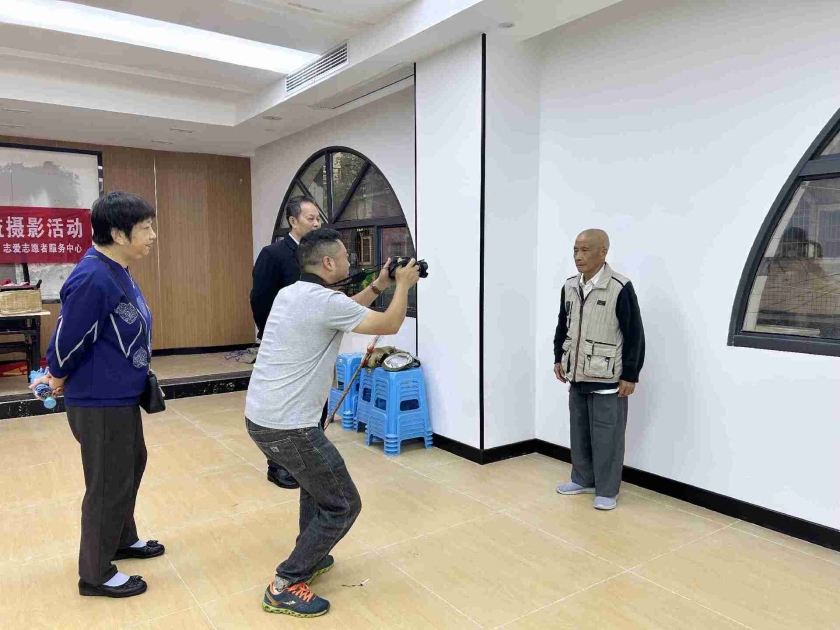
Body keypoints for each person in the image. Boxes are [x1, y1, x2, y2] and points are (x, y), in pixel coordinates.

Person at [245, 228, 419, 618]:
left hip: (265, 417)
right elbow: (388, 324)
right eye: (343, 256)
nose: (348, 261)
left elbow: (344, 311)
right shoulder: (322, 302)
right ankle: (285, 584)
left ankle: (312, 554)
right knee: (343, 504)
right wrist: (404, 286)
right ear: (327, 262)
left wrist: (379, 284)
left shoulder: (292, 294)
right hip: (289, 425)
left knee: (316, 486)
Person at [31, 191, 164, 598]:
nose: (153, 235)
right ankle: (95, 573)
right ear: (119, 234)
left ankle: (121, 539)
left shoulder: (116, 269)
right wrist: (55, 375)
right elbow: (69, 338)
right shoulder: (93, 276)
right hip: (99, 399)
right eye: (146, 228)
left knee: (129, 468)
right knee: (108, 483)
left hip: (120, 395)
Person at [553, 229, 645, 511]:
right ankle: (582, 479)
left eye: (585, 250)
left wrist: (630, 374)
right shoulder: (570, 286)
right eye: (575, 250)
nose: (578, 256)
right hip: (577, 374)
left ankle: (606, 489)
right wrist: (558, 358)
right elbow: (562, 325)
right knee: (579, 432)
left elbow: (634, 333)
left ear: (603, 252)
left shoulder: (620, 287)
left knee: (608, 435)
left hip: (608, 377)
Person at [250, 196, 323, 490]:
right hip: (283, 345)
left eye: (318, 218)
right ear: (293, 221)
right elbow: (260, 299)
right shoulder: (274, 254)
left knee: (309, 401)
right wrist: (272, 335)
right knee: (282, 405)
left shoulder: (318, 256)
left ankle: (311, 457)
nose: (316, 224)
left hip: (313, 344)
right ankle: (278, 465)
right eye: (310, 218)